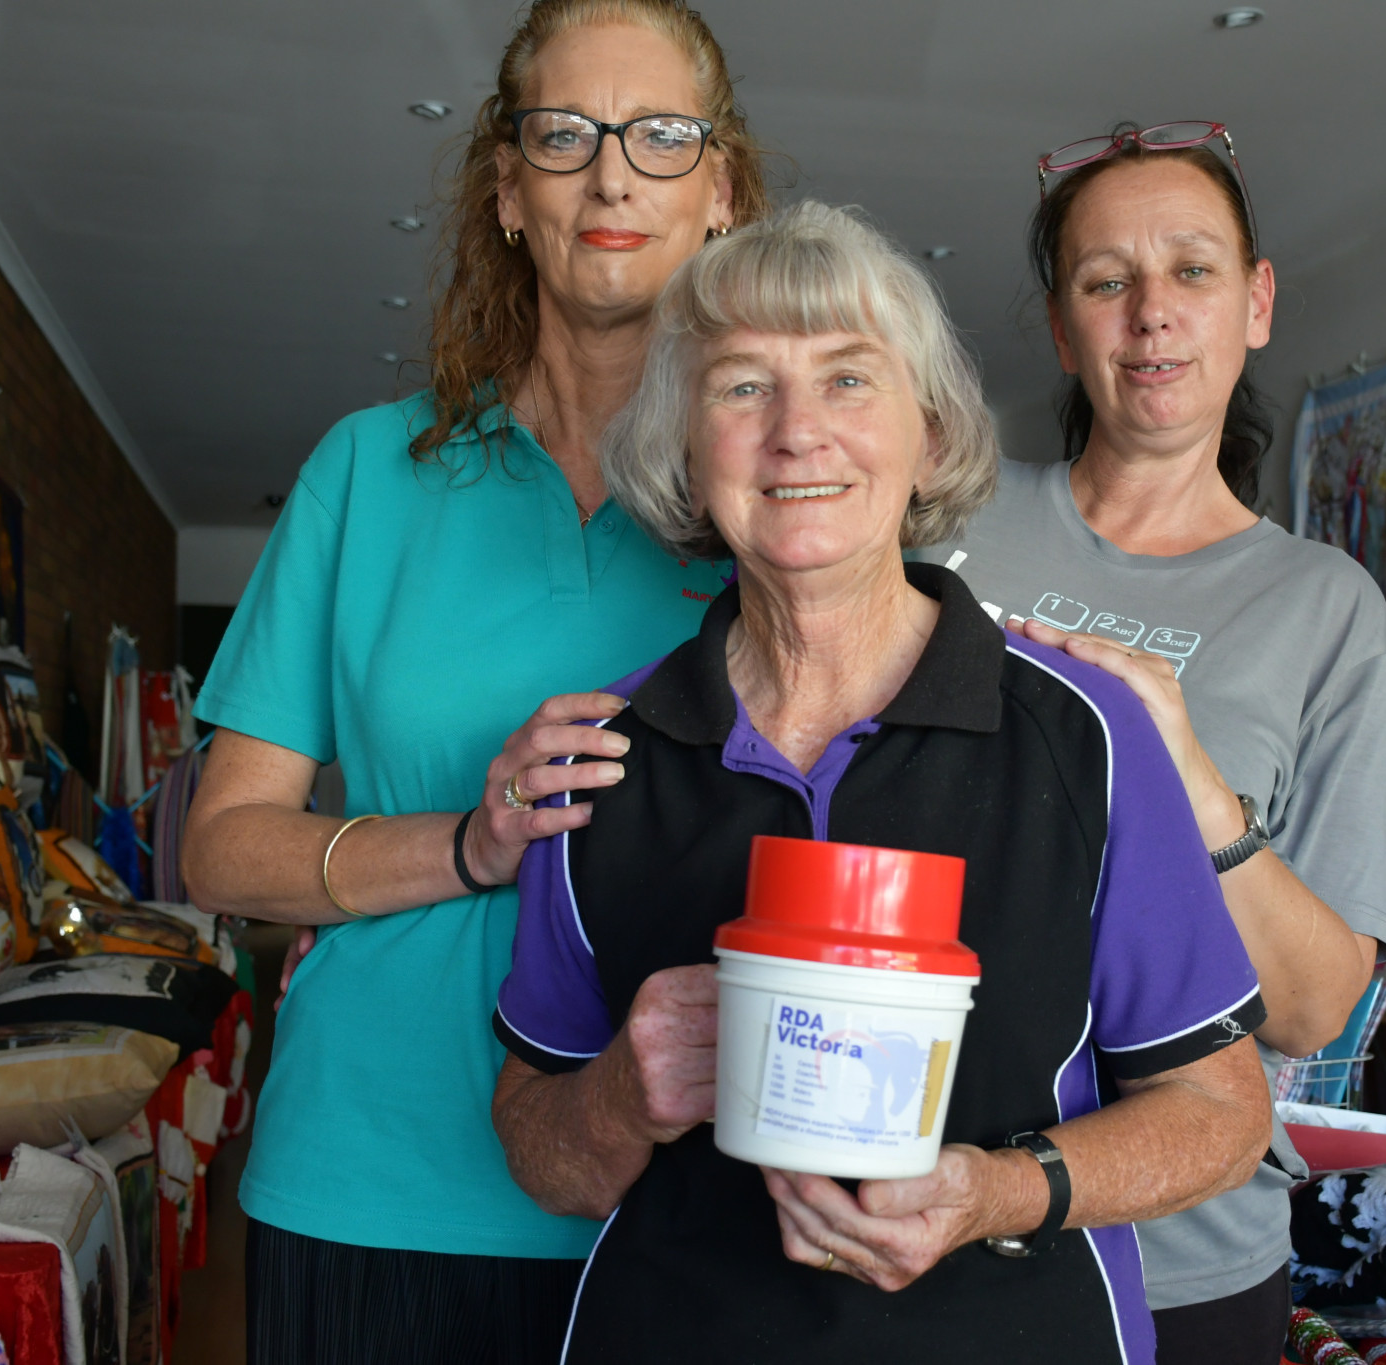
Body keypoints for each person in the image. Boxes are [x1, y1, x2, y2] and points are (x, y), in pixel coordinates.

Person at [487, 200, 1275, 1365]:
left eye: (850, 379)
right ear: (683, 450)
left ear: (932, 436)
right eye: (741, 385)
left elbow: (1222, 1117)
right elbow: (537, 1147)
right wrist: (613, 1098)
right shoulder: (600, 756)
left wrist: (995, 1193)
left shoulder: (1083, 734)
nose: (798, 433)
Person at [179, 3, 770, 1360]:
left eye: (660, 136)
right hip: (368, 1186)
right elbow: (221, 850)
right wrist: (469, 836)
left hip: (679, 1198)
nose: (612, 174)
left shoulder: (775, 499)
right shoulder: (367, 473)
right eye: (563, 136)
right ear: (508, 191)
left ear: (720, 191)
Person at [913, 122, 1386, 1362]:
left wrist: (1187, 773)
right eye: (1103, 280)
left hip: (1180, 1254)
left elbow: (1314, 1009)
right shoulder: (943, 516)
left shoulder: (1322, 605)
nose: (1150, 314)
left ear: (1256, 303)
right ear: (1064, 327)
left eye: (1190, 269)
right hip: (909, 1197)